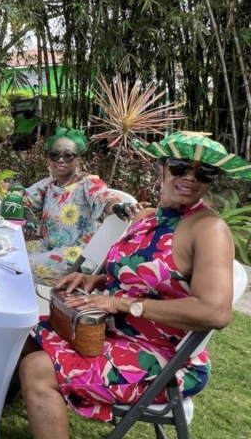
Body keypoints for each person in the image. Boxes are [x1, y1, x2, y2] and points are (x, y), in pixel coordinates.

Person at [19, 131, 246, 439]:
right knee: (21, 335)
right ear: (162, 167)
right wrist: (94, 279)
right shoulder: (149, 217)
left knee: (36, 368)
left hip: (160, 359)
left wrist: (121, 303)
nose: (190, 177)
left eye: (204, 172)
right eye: (180, 166)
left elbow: (215, 312)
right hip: (109, 333)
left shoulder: (208, 229)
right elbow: (140, 277)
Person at [25, 127, 143, 279]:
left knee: (24, 268)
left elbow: (102, 196)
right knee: (11, 253)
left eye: (67, 156)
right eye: (55, 155)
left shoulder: (87, 183)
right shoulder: (50, 184)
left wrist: (116, 206)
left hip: (75, 256)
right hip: (47, 246)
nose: (60, 160)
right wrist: (27, 216)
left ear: (77, 160)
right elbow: (23, 198)